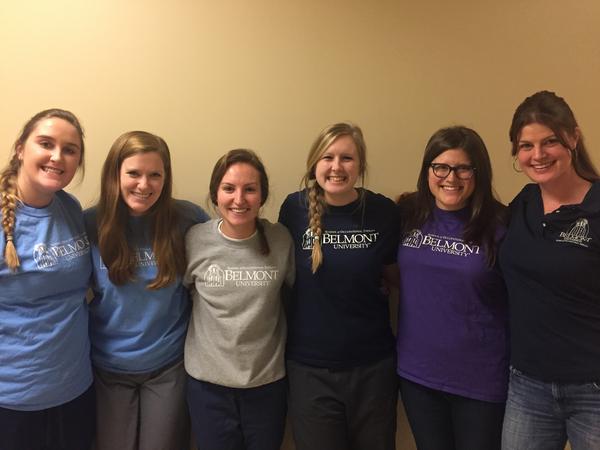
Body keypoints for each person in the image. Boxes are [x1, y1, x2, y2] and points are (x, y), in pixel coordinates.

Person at [84, 131, 209, 450]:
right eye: (134, 173)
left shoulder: (187, 219)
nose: (144, 184)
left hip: (168, 365)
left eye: (155, 175)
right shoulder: (88, 223)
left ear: (166, 178)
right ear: (115, 175)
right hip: (108, 367)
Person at [278, 122, 399, 450]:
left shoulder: (383, 211)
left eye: (347, 158)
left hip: (373, 366)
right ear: (314, 163)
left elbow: (394, 277)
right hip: (309, 368)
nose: (336, 167)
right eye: (327, 157)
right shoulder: (293, 209)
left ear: (361, 166)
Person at [396, 126, 509, 450]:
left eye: (463, 168)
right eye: (441, 167)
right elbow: (396, 272)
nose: (451, 177)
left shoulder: (501, 224)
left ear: (478, 173)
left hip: (481, 379)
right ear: (428, 170)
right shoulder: (408, 214)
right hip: (418, 374)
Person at [499, 91, 600, 450]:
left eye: (550, 142)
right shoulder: (523, 204)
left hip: (592, 389)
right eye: (526, 145)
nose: (537, 155)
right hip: (528, 385)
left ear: (573, 137)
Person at [185, 149, 295, 450]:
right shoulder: (194, 239)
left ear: (262, 196)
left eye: (250, 189)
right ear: (215, 194)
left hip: (267, 384)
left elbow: (304, 296)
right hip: (208, 386)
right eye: (229, 188)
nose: (239, 199)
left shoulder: (280, 239)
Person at [0, 109, 94, 450]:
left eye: (70, 150)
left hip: (76, 388)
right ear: (20, 149)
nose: (58, 156)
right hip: (13, 400)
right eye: (46, 143)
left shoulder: (69, 207)